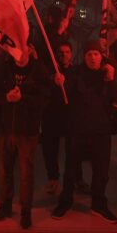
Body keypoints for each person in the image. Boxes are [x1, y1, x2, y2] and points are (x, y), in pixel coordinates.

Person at [52, 41, 117, 223]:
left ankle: (99, 205)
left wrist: (112, 81)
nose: (92, 57)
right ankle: (66, 201)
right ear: (84, 56)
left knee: (101, 172)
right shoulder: (75, 73)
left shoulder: (107, 74)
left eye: (96, 54)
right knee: (71, 170)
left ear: (101, 56)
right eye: (89, 54)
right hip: (77, 130)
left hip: (101, 132)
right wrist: (60, 84)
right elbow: (65, 95)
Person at [0, 50, 52, 229]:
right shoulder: (4, 68)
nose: (20, 54)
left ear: (29, 50)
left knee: (26, 173)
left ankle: (25, 211)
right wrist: (6, 97)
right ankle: (5, 205)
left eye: (23, 49)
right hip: (6, 129)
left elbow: (44, 99)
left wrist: (23, 98)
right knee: (5, 171)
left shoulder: (39, 70)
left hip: (27, 132)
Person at [42, 42, 75, 195]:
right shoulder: (49, 70)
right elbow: (42, 87)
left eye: (67, 51)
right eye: (61, 52)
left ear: (72, 54)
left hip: (69, 116)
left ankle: (76, 178)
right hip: (51, 115)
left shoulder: (75, 71)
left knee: (74, 149)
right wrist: (52, 82)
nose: (64, 54)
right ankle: (53, 178)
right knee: (50, 148)